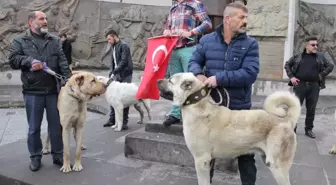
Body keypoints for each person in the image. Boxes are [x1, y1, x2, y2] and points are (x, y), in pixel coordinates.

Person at [188, 2, 259, 185]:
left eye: (246, 17)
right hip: (212, 106)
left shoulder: (251, 44)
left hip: (239, 108)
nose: (245, 21)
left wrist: (219, 78)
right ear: (227, 19)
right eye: (241, 17)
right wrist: (198, 74)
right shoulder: (206, 40)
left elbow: (250, 74)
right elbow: (194, 61)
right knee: (207, 153)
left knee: (246, 154)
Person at [8, 11, 72, 172]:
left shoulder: (55, 40)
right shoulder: (20, 40)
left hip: (53, 91)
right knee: (34, 128)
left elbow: (63, 62)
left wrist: (69, 82)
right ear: (31, 22)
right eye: (41, 19)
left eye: (46, 19)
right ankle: (35, 157)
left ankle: (58, 154)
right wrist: (29, 61)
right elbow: (13, 60)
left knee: (56, 126)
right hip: (32, 91)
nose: (45, 21)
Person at [162, 0, 212, 127]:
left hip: (189, 48)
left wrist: (191, 32)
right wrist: (166, 31)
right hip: (173, 50)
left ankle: (194, 113)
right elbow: (167, 26)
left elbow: (207, 23)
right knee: (175, 84)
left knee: (192, 83)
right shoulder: (173, 8)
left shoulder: (195, 4)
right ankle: (175, 114)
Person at [284, 36, 334, 138]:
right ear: (306, 46)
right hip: (300, 85)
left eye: (316, 45)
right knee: (295, 107)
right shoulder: (298, 56)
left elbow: (330, 66)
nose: (315, 46)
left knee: (311, 109)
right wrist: (292, 77)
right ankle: (293, 128)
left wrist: (321, 75)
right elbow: (287, 65)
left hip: (314, 86)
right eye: (313, 45)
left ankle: (309, 129)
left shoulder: (321, 56)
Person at [101, 29, 133, 130]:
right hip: (116, 74)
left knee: (125, 97)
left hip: (125, 74)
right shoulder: (113, 46)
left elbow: (123, 61)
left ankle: (124, 122)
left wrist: (115, 71)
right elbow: (113, 61)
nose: (109, 41)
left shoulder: (124, 46)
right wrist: (112, 71)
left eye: (110, 39)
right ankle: (112, 120)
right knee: (113, 97)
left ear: (115, 36)